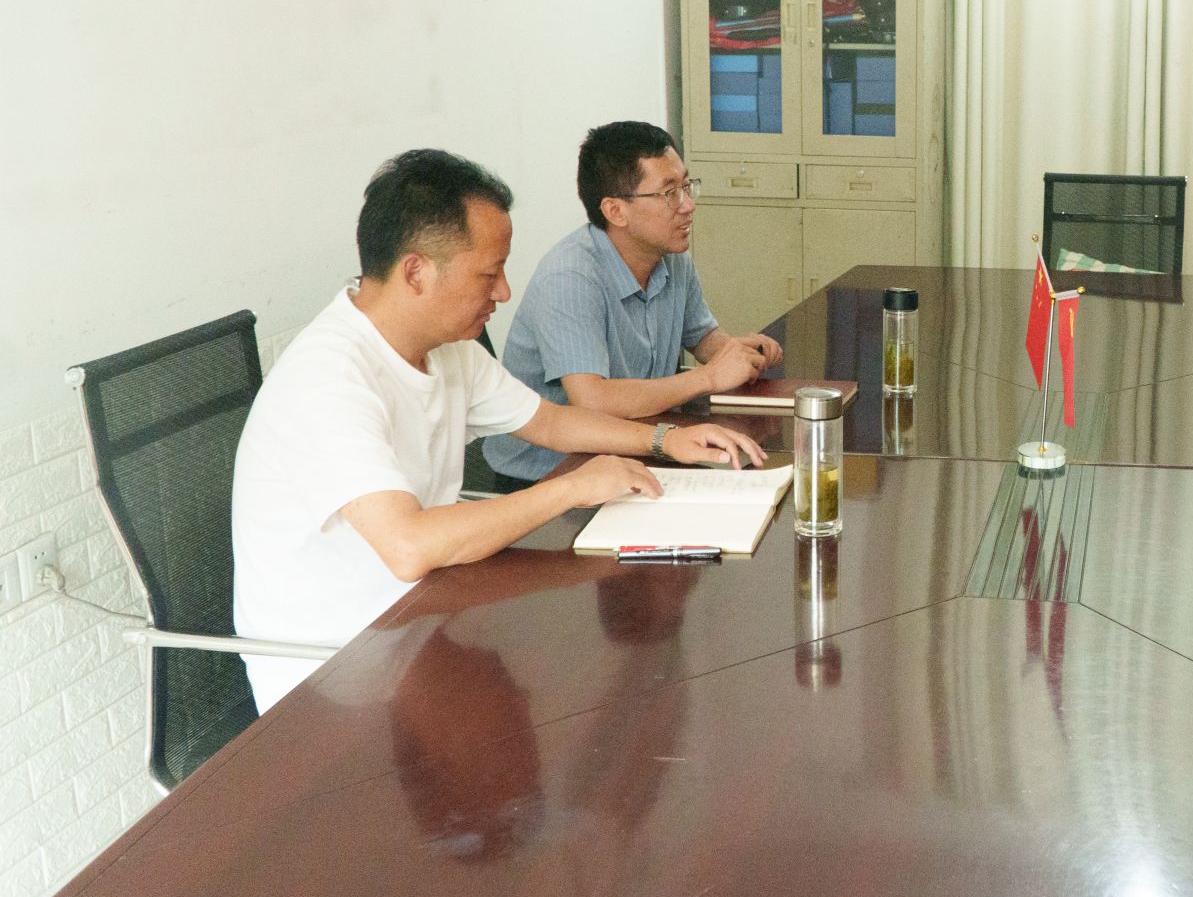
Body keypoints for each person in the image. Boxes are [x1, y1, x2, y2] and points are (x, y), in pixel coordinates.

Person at [233, 149, 764, 713]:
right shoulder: (329, 379)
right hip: (333, 682)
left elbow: (550, 421)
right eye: (489, 274)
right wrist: (572, 488)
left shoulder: (447, 348)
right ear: (416, 272)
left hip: (424, 620)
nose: (505, 292)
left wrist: (664, 440)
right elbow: (409, 546)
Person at [485, 121, 784, 483]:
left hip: (639, 447)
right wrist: (708, 377)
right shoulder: (570, 277)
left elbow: (702, 337)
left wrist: (736, 352)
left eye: (687, 186)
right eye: (669, 193)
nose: (688, 205)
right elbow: (593, 401)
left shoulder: (671, 256)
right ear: (615, 211)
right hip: (549, 472)